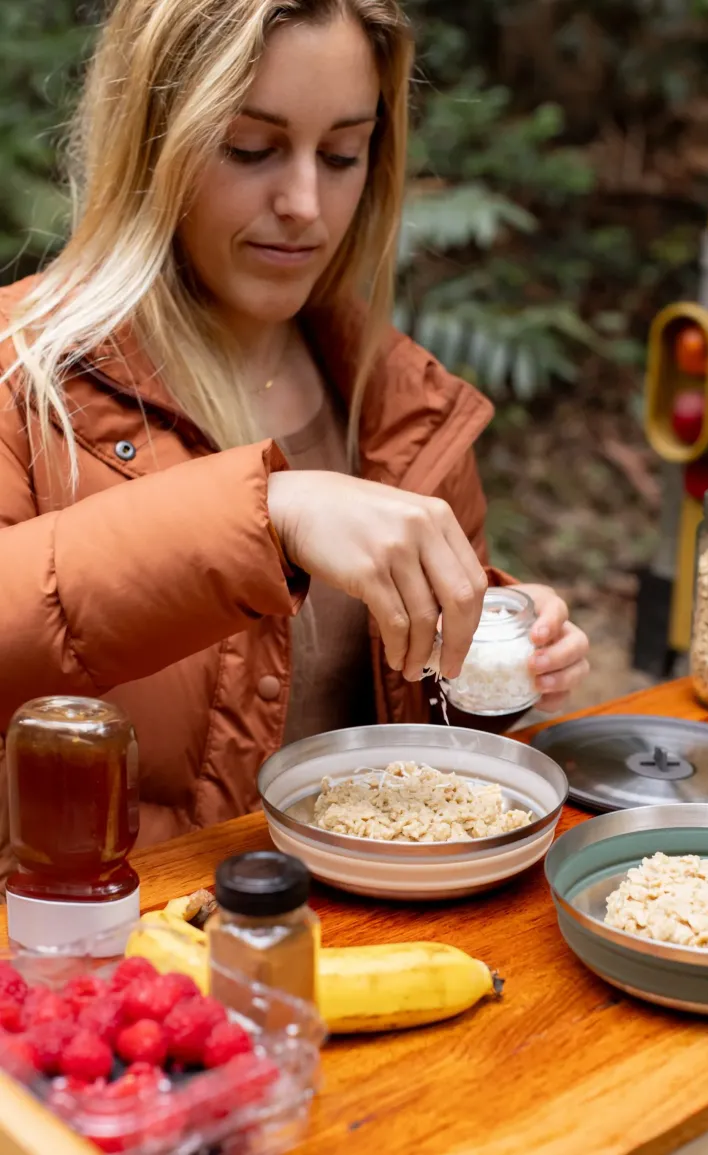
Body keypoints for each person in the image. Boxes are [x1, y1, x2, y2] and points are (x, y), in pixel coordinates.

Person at [0, 0, 589, 880]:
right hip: (114, 944)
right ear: (153, 142)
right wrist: (269, 513)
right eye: (250, 148)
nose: (305, 204)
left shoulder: (406, 408)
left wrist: (495, 661)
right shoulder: (22, 373)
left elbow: (421, 742)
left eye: (343, 154)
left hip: (370, 936)